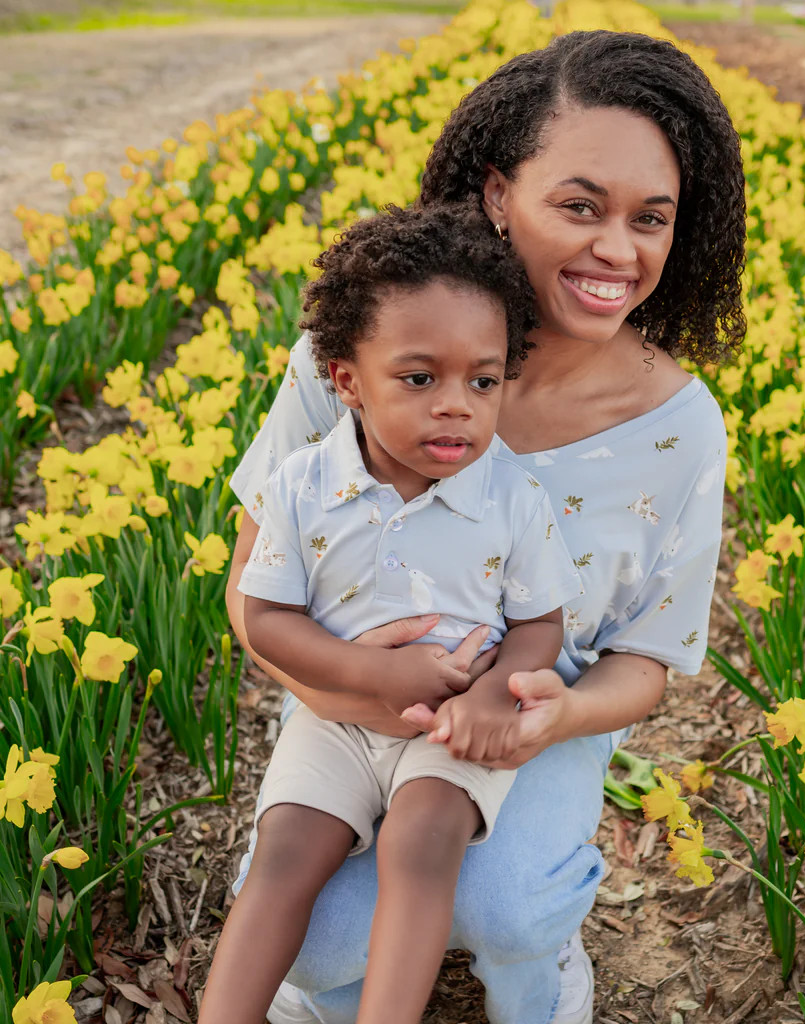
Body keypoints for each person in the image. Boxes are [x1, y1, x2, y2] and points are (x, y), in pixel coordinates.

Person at [225, 28, 745, 1024]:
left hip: (531, 719)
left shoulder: (679, 428)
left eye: (652, 218)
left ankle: (536, 979)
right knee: (315, 944)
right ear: (500, 194)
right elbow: (250, 594)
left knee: (506, 909)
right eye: (579, 205)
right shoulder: (361, 349)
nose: (617, 250)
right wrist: (345, 685)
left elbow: (642, 660)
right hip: (347, 698)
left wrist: (551, 714)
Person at [200, 203, 583, 1024]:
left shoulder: (512, 497)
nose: (457, 406)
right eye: (420, 379)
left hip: (452, 724)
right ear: (346, 380)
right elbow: (263, 615)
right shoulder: (302, 486)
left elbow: (541, 625)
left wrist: (490, 698)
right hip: (335, 719)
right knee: (286, 851)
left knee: (422, 842)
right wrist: (371, 673)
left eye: (483, 381)